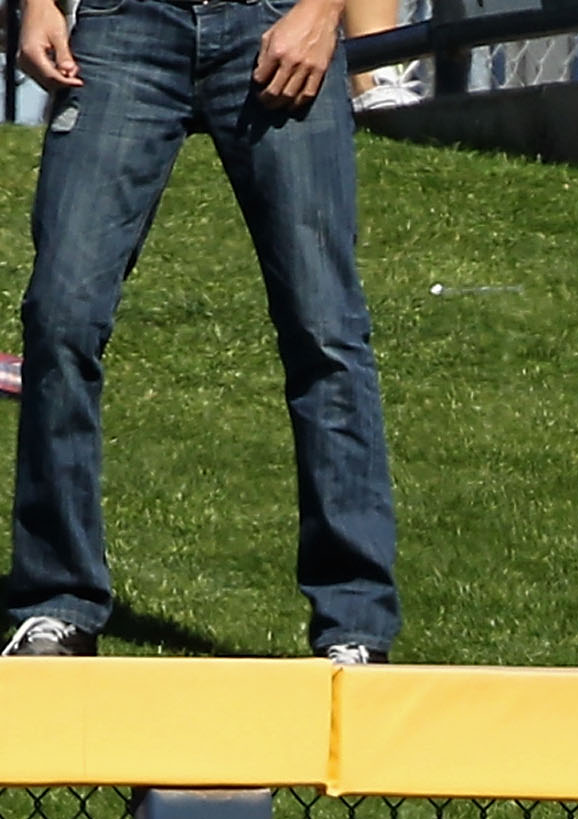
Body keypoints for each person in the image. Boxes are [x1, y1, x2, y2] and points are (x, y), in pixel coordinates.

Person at [4, 0, 401, 664]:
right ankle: (56, 606)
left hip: (276, 20)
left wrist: (322, 12)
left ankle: (355, 623)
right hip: (120, 24)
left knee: (324, 326)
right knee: (60, 314)